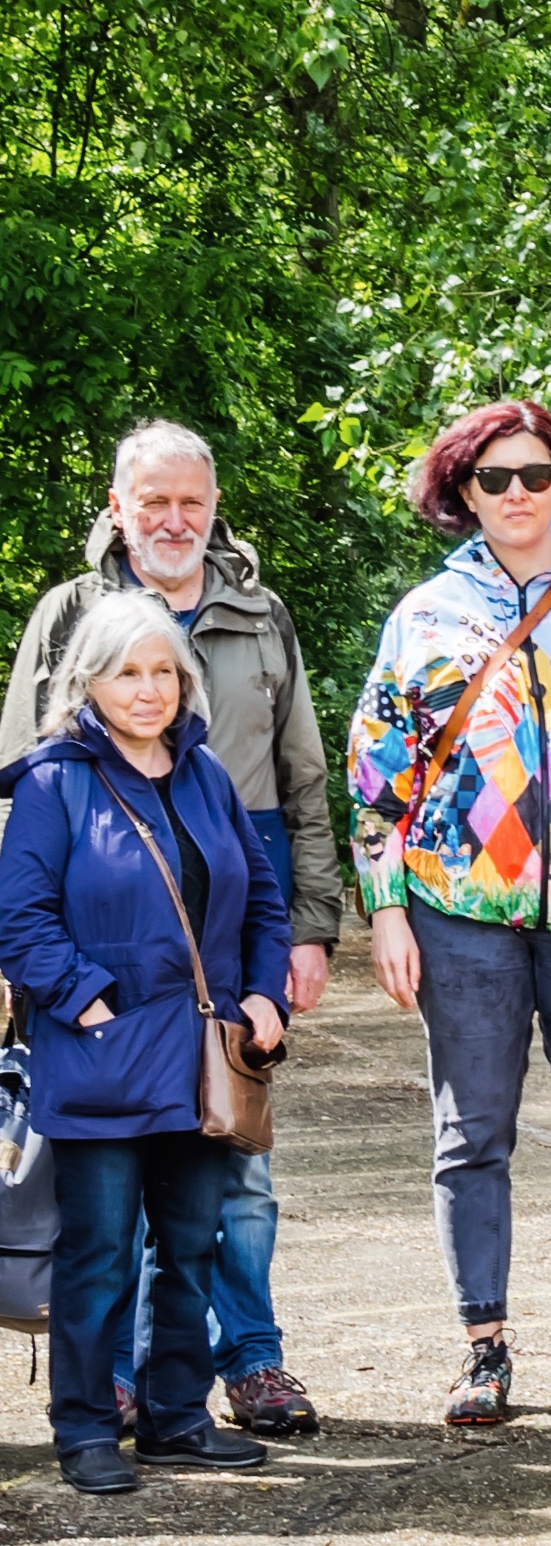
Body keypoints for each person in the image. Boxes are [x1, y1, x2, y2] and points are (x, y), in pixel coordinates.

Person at [0, 420, 338, 1438]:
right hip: (100, 927)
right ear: (117, 506)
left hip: (226, 934)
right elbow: (20, 793)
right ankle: (109, 1383)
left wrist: (307, 932)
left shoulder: (258, 615)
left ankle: (247, 1361)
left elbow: (301, 779)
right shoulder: (69, 615)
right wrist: (36, 971)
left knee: (229, 1169)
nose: (174, 519)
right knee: (101, 1199)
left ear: (214, 506)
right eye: (153, 501)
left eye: (191, 501)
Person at [346, 399, 551, 1425]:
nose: (519, 493)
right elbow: (375, 779)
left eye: (537, 474)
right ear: (462, 490)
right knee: (469, 1132)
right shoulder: (424, 615)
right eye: (496, 478)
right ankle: (483, 1348)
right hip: (459, 914)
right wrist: (387, 909)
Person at [0, 595, 289, 1494]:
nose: (148, 689)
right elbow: (21, 919)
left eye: (163, 670)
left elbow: (263, 900)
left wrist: (263, 993)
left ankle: (175, 1418)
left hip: (202, 1059)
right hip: (100, 1058)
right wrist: (87, 1003)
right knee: (96, 1254)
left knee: (191, 1246)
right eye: (129, 671)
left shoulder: (205, 776)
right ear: (87, 680)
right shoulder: (53, 783)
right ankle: (85, 1429)